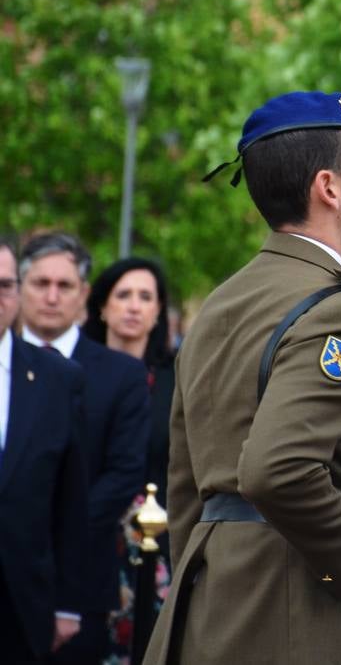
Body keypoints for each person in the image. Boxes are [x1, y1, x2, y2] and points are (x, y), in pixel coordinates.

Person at [144, 91, 341, 665]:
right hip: (294, 608)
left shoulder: (223, 301)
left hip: (212, 595)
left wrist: (208, 577)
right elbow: (276, 470)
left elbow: (186, 482)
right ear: (329, 187)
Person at [18, 232, 149, 665]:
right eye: (40, 284)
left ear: (84, 295)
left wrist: (48, 530)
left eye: (65, 286)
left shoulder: (122, 375)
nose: (52, 297)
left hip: (79, 581)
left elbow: (124, 472)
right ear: (21, 288)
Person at [0, 235, 88, 663]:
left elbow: (70, 500)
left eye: (4, 285)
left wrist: (68, 604)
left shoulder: (56, 377)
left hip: (22, 604)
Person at [84, 257, 176, 662]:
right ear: (102, 306)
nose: (134, 306)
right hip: (89, 536)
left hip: (156, 546)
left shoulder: (178, 383)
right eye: (123, 295)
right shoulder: (72, 373)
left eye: (145, 297)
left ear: (158, 311)